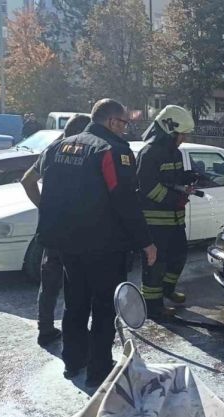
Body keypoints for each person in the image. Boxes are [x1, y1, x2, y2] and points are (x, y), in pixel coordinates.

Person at [36, 99, 156, 388]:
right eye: (124, 123)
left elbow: (45, 184)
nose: (126, 129)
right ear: (113, 122)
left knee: (74, 303)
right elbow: (125, 201)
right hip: (103, 246)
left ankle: (73, 360)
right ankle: (98, 371)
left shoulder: (59, 145)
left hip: (66, 243)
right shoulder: (112, 151)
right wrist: (146, 242)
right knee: (103, 308)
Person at [21, 114, 91, 347]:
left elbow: (27, 181)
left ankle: (46, 329)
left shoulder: (51, 151)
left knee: (49, 280)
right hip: (79, 230)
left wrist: (44, 206)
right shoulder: (87, 152)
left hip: (52, 229)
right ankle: (77, 333)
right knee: (79, 281)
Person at [137, 105, 196, 319]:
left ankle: (167, 291)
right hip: (155, 221)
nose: (184, 138)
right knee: (155, 264)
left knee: (178, 256)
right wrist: (175, 198)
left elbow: (173, 180)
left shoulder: (176, 153)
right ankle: (153, 307)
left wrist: (187, 178)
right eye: (182, 134)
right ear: (169, 131)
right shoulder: (149, 153)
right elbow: (147, 187)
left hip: (175, 219)